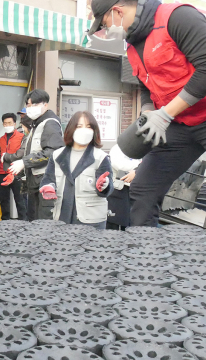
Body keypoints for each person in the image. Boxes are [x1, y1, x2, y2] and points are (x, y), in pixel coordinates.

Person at [88, 0, 206, 226]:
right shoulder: (132, 45)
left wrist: (165, 114)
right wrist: (149, 111)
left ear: (117, 11)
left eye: (104, 24)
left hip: (188, 115)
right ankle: (146, 256)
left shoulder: (177, 17)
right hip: (180, 125)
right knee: (143, 190)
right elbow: (145, 86)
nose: (105, 31)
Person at [40, 111, 113, 229]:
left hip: (91, 221)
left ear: (94, 131)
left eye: (89, 127)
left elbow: (108, 186)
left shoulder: (100, 157)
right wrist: (49, 187)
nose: (84, 130)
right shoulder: (57, 155)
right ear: (71, 129)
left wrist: (104, 185)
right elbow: (48, 179)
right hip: (62, 217)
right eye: (79, 126)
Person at [8, 89, 64, 221]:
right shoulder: (37, 124)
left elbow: (52, 152)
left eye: (34, 104)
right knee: (34, 220)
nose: (30, 108)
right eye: (28, 105)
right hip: (35, 182)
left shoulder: (50, 123)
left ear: (45, 105)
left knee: (43, 222)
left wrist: (24, 162)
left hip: (46, 182)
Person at [0, 113, 27, 220]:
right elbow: (0, 151)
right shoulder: (1, 139)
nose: (7, 125)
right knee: (3, 199)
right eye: (5, 123)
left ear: (14, 123)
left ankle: (23, 221)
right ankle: (5, 221)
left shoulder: (22, 137)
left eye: (9, 123)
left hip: (16, 172)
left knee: (19, 199)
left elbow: (22, 153)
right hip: (2, 172)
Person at [107, 144, 140, 230]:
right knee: (114, 225)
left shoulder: (142, 149)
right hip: (119, 191)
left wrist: (137, 170)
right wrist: (139, 168)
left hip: (136, 192)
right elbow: (121, 166)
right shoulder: (117, 148)